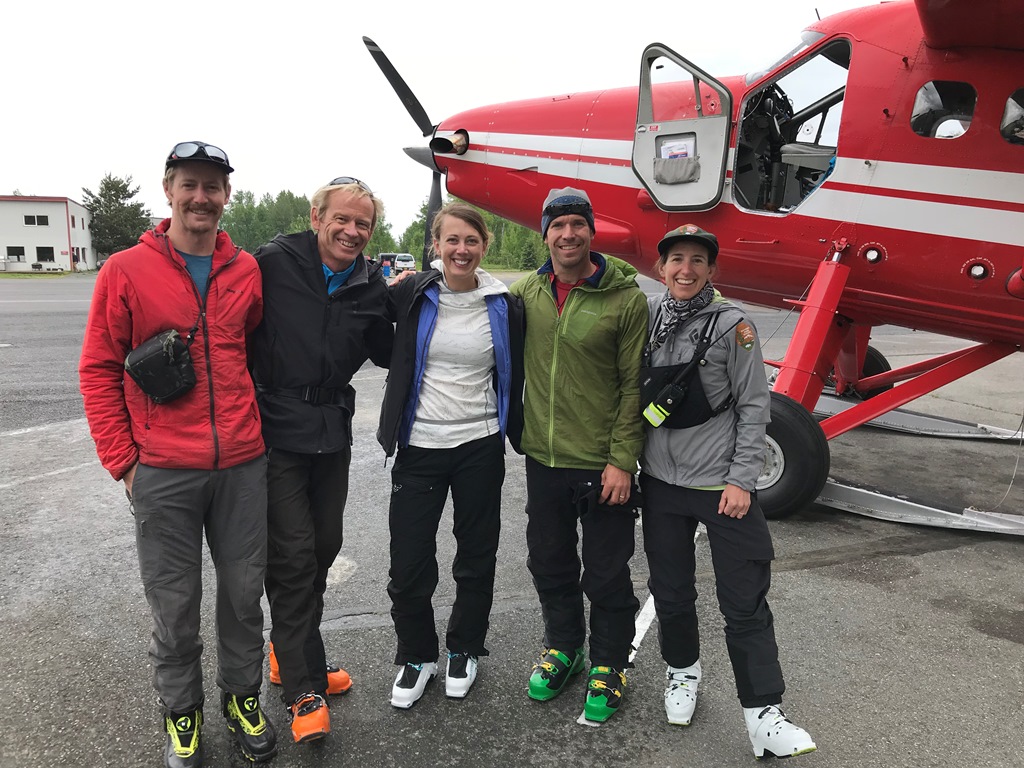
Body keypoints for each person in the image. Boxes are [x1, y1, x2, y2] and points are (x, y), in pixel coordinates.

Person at [79, 141, 277, 767]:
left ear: (226, 197)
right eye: (189, 184)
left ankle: (241, 697)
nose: (201, 197)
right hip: (163, 470)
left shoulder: (245, 270)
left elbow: (249, 351)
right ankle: (181, 710)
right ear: (168, 190)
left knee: (245, 595)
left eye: (213, 187)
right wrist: (127, 463)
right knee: (174, 601)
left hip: (242, 464)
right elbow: (99, 369)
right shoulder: (125, 271)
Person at [638, 224, 816, 758]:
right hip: (661, 484)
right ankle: (682, 674)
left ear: (712, 270)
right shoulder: (646, 317)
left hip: (720, 486)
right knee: (671, 592)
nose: (686, 270)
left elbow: (754, 404)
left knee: (744, 602)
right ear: (661, 267)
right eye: (676, 260)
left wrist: (743, 479)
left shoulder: (733, 325)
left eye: (697, 261)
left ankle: (763, 712)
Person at [249, 177, 393, 743]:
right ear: (316, 217)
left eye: (364, 224)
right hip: (274, 430)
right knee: (292, 556)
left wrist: (421, 291)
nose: (352, 232)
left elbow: (386, 348)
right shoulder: (273, 263)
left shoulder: (368, 283)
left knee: (324, 549)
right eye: (343, 219)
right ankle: (302, 689)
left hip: (331, 433)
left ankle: (290, 653)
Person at [378, 202, 524, 708]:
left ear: (484, 246)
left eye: (472, 241)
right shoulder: (413, 295)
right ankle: (416, 655)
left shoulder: (504, 304)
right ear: (435, 246)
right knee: (409, 560)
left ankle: (465, 647)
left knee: (476, 553)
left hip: (480, 445)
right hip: (420, 445)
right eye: (451, 240)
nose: (461, 250)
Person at [510, 187, 647, 723]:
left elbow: (634, 386)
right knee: (550, 561)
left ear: (592, 231)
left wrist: (622, 459)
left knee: (607, 570)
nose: (568, 234)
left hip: (601, 463)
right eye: (557, 225)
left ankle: (610, 662)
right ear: (544, 234)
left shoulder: (625, 298)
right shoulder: (524, 292)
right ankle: (564, 646)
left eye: (577, 224)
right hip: (543, 458)